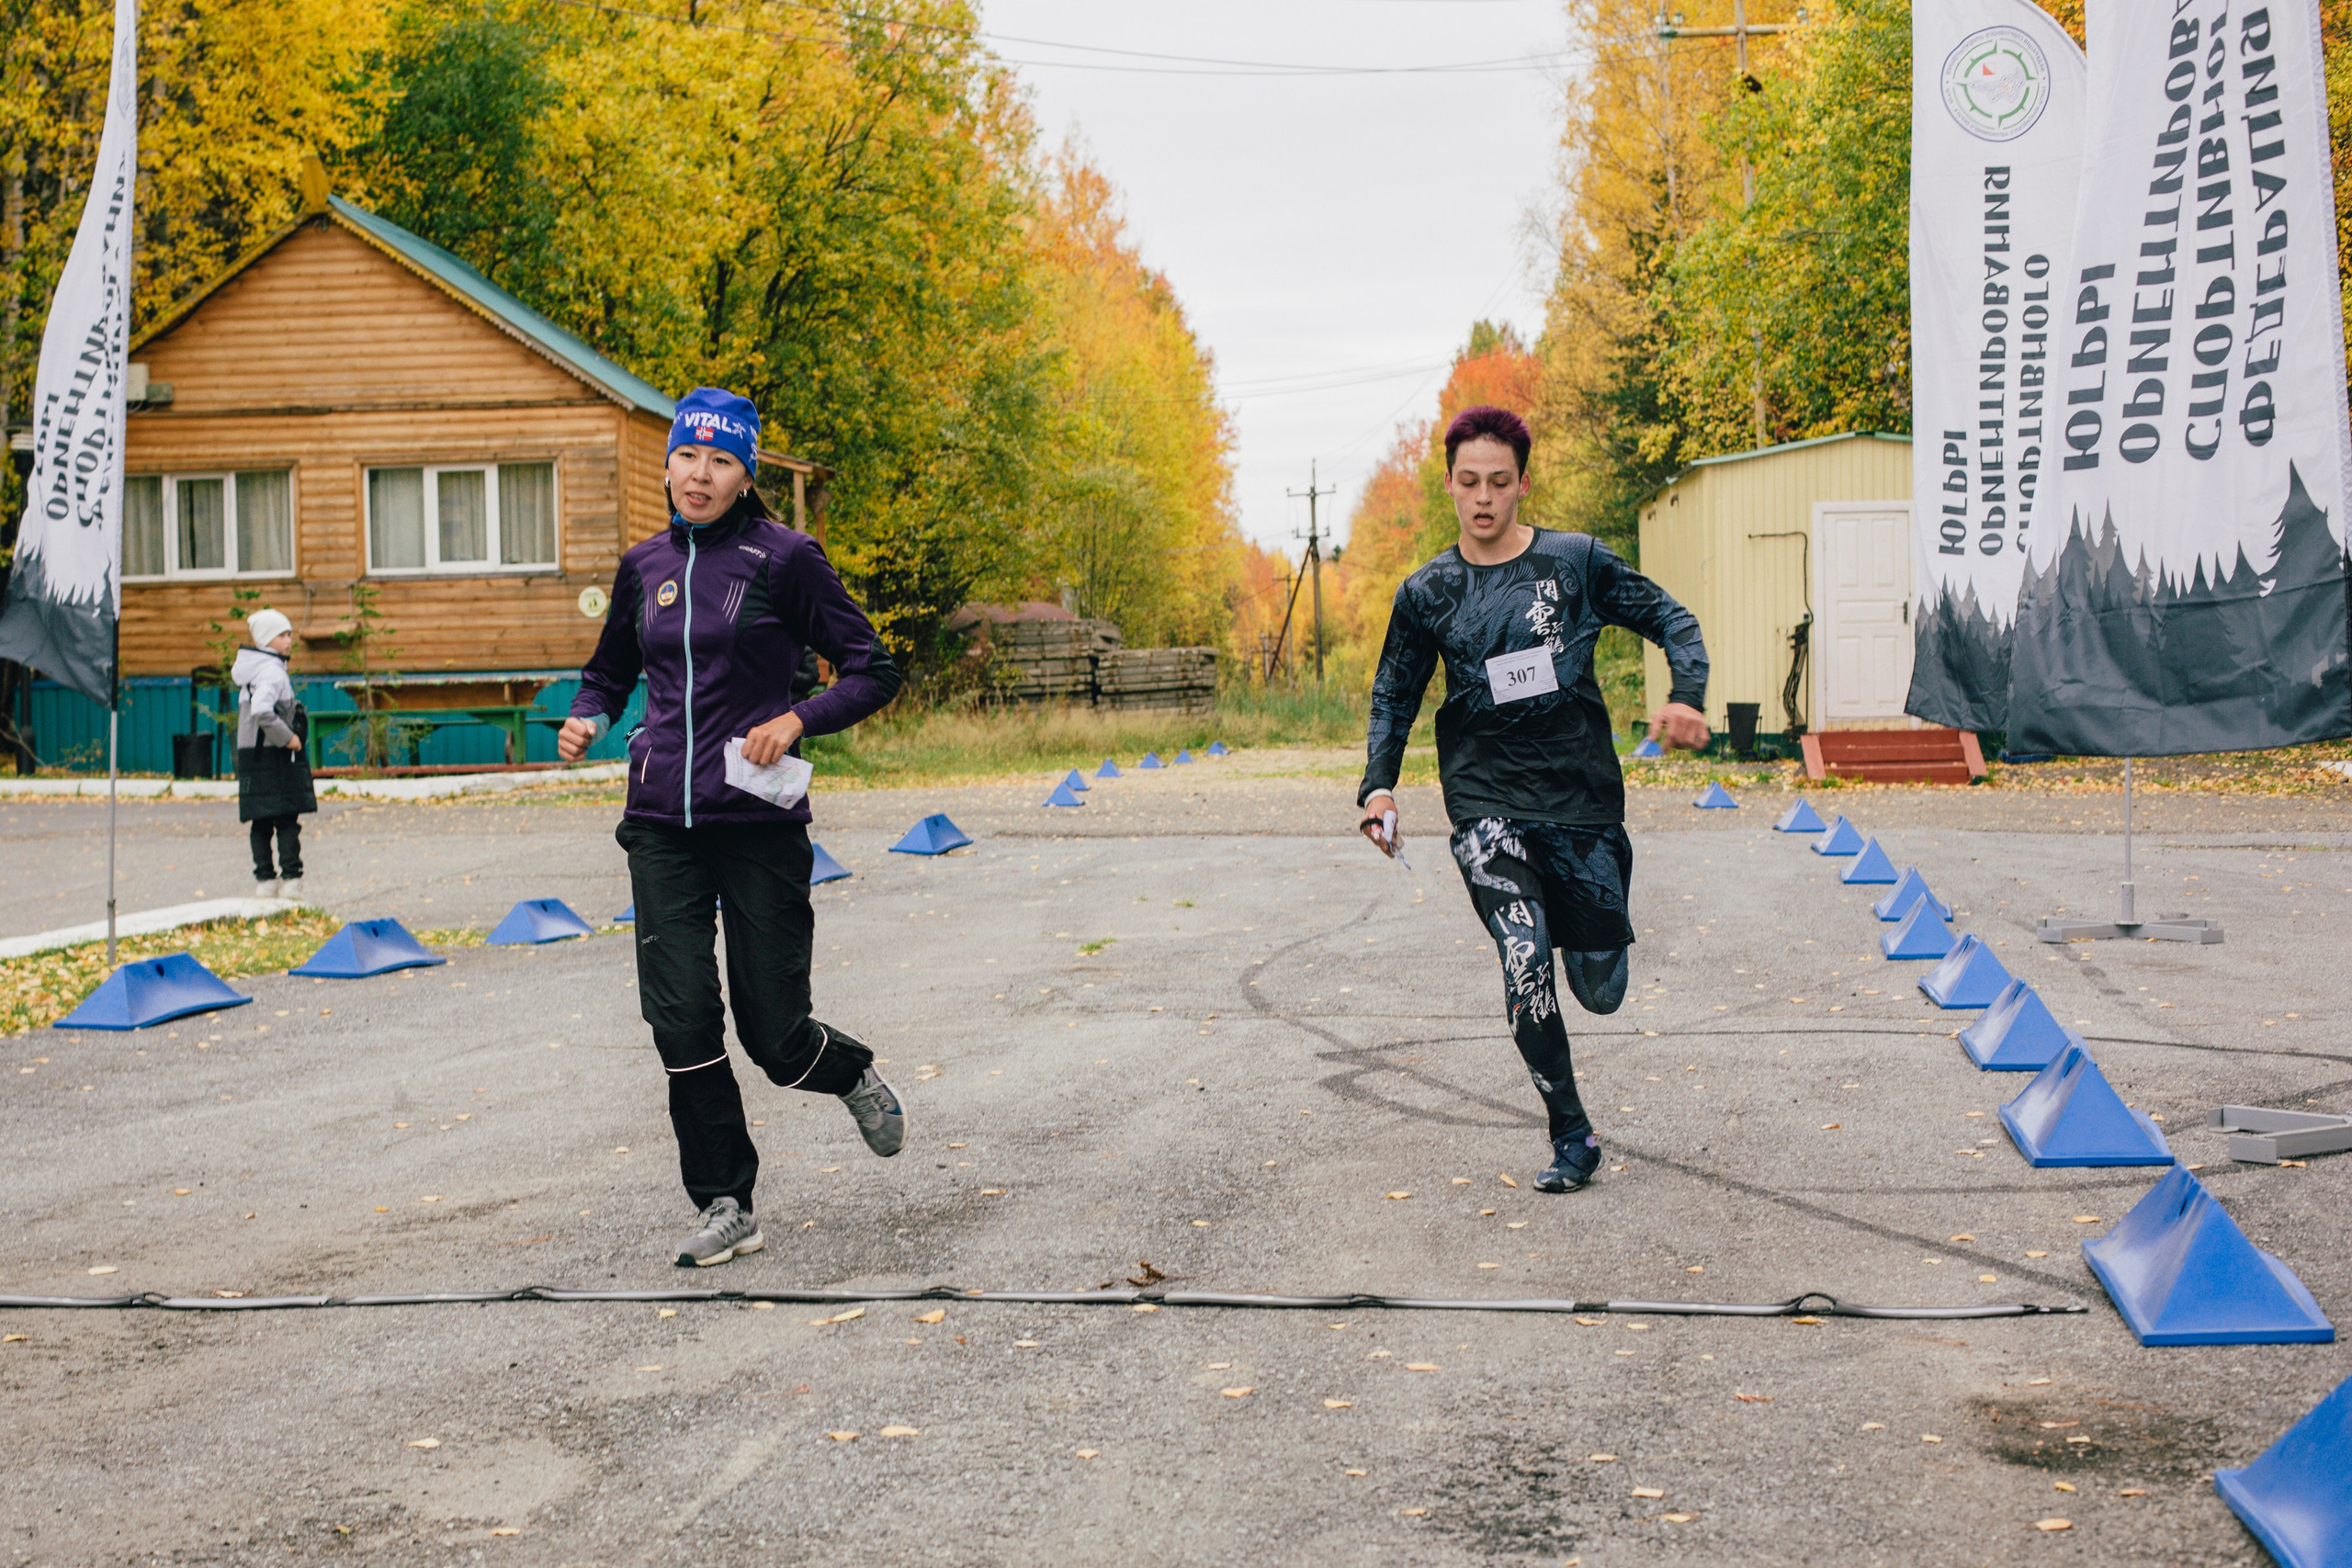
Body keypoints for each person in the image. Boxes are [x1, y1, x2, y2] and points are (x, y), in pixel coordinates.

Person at [559, 387, 907, 1269]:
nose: (699, 475)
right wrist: (586, 714)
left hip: (756, 820)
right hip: (660, 825)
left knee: (776, 1037)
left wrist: (798, 718)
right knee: (680, 1021)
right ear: (668, 464)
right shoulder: (644, 566)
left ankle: (848, 1070)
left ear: (745, 471)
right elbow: (607, 672)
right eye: (686, 458)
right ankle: (727, 1202)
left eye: (719, 460)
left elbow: (874, 667)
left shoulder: (786, 559)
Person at [1357, 406, 1710, 1194]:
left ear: (1523, 484)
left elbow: (1669, 616)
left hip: (1581, 800)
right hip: (1485, 804)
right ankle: (1572, 1134)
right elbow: (1393, 693)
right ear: (1449, 484)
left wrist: (1688, 693)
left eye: (1500, 482)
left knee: (1600, 989)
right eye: (1469, 482)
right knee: (1523, 957)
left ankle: (1603, 914)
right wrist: (1379, 785)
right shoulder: (1429, 593)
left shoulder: (1574, 563)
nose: (1484, 499)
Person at [232, 608, 315, 899]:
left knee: (261, 820)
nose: (289, 639)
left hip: (252, 756)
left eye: (290, 633)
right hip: (274, 757)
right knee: (286, 819)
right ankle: (292, 880)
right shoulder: (270, 671)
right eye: (282, 634)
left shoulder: (253, 672)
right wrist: (289, 739)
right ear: (267, 641)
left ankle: (265, 880)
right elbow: (262, 711)